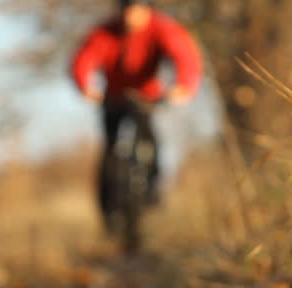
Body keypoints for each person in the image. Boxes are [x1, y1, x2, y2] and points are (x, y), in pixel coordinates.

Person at [71, 0, 203, 230]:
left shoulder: (161, 28)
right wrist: (85, 85)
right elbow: (83, 59)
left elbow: (184, 55)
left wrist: (183, 85)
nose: (131, 18)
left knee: (150, 141)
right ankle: (108, 207)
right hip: (112, 98)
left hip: (146, 98)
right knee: (110, 150)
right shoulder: (105, 31)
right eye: (126, 11)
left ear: (147, 10)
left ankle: (152, 190)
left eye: (136, 11)